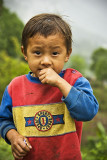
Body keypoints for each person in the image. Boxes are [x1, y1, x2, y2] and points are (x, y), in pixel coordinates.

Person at [0, 13, 99, 160]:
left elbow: (88, 112)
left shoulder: (74, 81)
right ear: (25, 52)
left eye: (55, 53)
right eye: (37, 52)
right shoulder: (15, 87)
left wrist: (60, 83)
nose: (46, 61)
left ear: (67, 54)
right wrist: (13, 136)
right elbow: (4, 120)